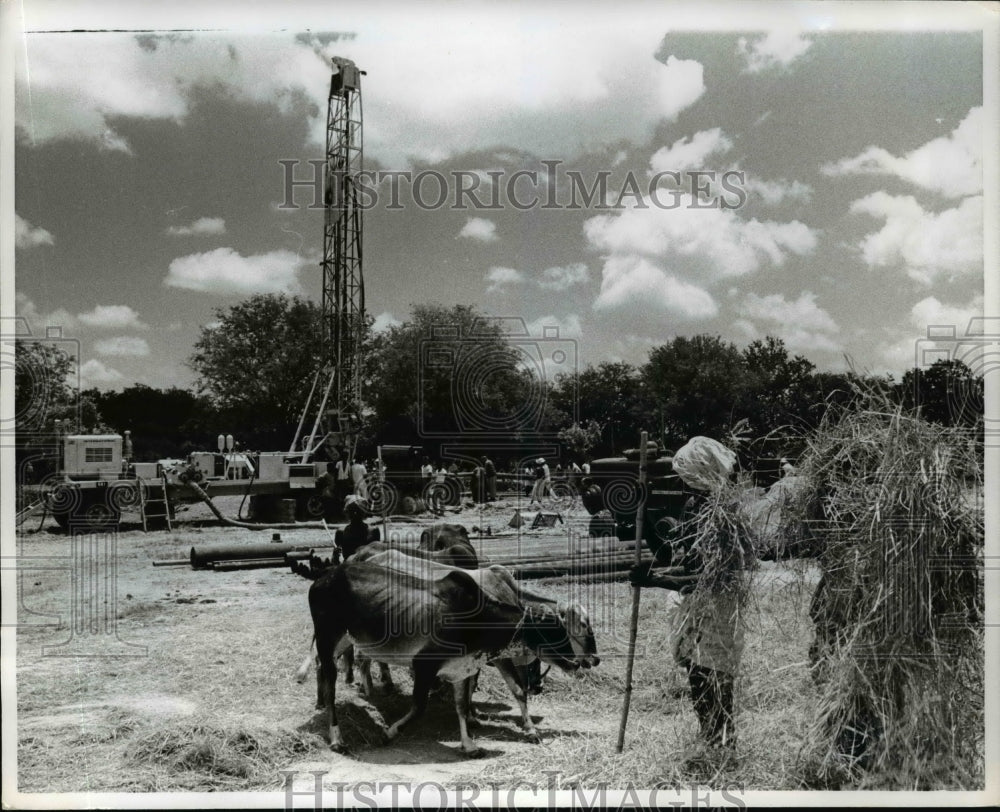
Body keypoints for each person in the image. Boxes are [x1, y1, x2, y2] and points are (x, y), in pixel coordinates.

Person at [629, 436, 743, 754]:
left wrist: (654, 579)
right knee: (697, 677)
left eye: (688, 479)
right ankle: (708, 744)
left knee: (714, 682)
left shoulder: (723, 519)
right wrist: (644, 515)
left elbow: (709, 580)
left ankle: (722, 749)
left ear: (702, 475)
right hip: (693, 609)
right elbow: (676, 558)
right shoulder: (694, 508)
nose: (684, 487)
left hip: (717, 612)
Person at [335, 494, 381, 560]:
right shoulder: (341, 532)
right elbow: (336, 557)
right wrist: (335, 554)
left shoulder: (374, 531)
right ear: (347, 513)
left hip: (368, 566)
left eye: (359, 511)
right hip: (349, 567)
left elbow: (377, 554)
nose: (356, 514)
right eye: (353, 511)